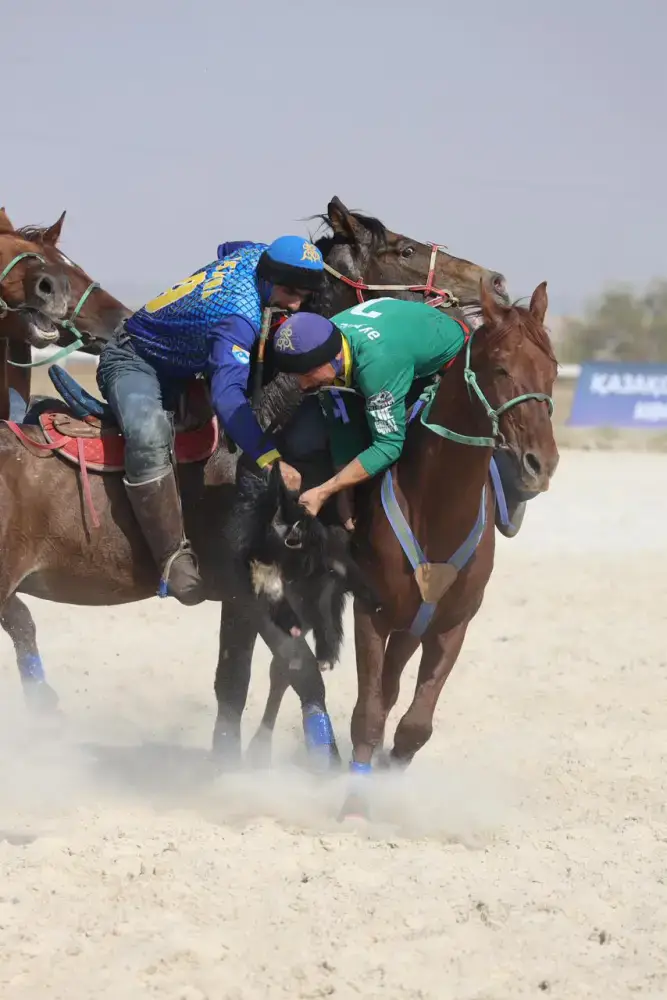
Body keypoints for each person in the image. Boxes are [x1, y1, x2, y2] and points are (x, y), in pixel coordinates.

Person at [96, 235, 325, 605]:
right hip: (134, 359)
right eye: (288, 291)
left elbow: (226, 248)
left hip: (181, 364)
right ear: (267, 278)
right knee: (149, 432)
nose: (295, 305)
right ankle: (172, 557)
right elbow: (228, 398)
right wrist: (270, 459)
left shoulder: (256, 253)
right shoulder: (238, 319)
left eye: (304, 294)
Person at [268, 297, 468, 527]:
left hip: (444, 357)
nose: (301, 386)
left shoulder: (377, 364)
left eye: (305, 375)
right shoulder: (327, 343)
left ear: (332, 360)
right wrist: (343, 493)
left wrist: (325, 490)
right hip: (393, 346)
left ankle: (510, 481)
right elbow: (340, 424)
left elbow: (389, 445)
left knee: (415, 443)